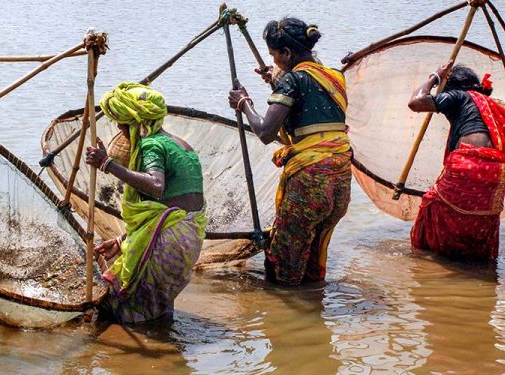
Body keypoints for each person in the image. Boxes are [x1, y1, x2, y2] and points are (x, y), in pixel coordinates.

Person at [228, 18, 352, 285]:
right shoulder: (335, 77)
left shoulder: (293, 82)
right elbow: (310, 107)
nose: (273, 60)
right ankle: (316, 311)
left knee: (284, 264)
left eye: (274, 55)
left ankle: (289, 318)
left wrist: (244, 103)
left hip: (310, 184)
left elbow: (265, 132)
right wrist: (278, 78)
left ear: (286, 53)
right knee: (311, 258)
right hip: (340, 179)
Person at [84, 82, 207, 323]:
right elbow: (171, 205)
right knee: (158, 303)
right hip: (188, 236)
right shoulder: (180, 144)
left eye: (122, 122)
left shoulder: (151, 144)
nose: (119, 128)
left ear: (136, 122)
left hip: (171, 237)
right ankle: (165, 342)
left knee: (123, 307)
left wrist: (107, 164)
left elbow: (156, 186)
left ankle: (138, 355)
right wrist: (122, 241)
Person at [407, 62, 505, 260]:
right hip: (497, 173)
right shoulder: (491, 105)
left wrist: (435, 76)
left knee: (432, 207)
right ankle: (475, 264)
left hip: (468, 165)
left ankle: (428, 259)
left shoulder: (460, 96)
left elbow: (416, 102)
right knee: (481, 219)